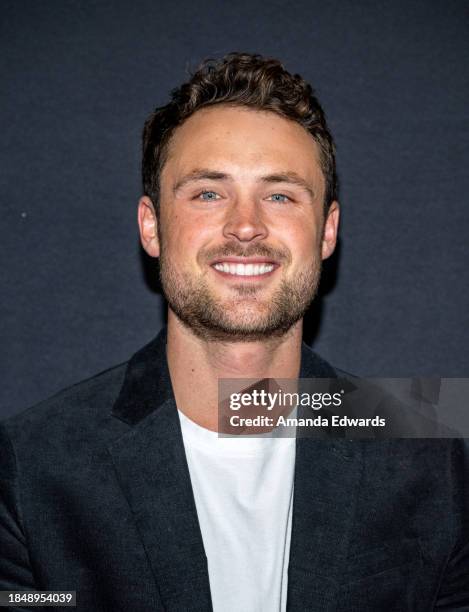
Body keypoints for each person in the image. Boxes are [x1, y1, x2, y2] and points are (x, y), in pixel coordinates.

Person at [0, 52, 467, 612]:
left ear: (327, 231)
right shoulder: (33, 469)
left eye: (279, 195)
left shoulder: (431, 461)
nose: (246, 226)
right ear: (151, 226)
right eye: (208, 193)